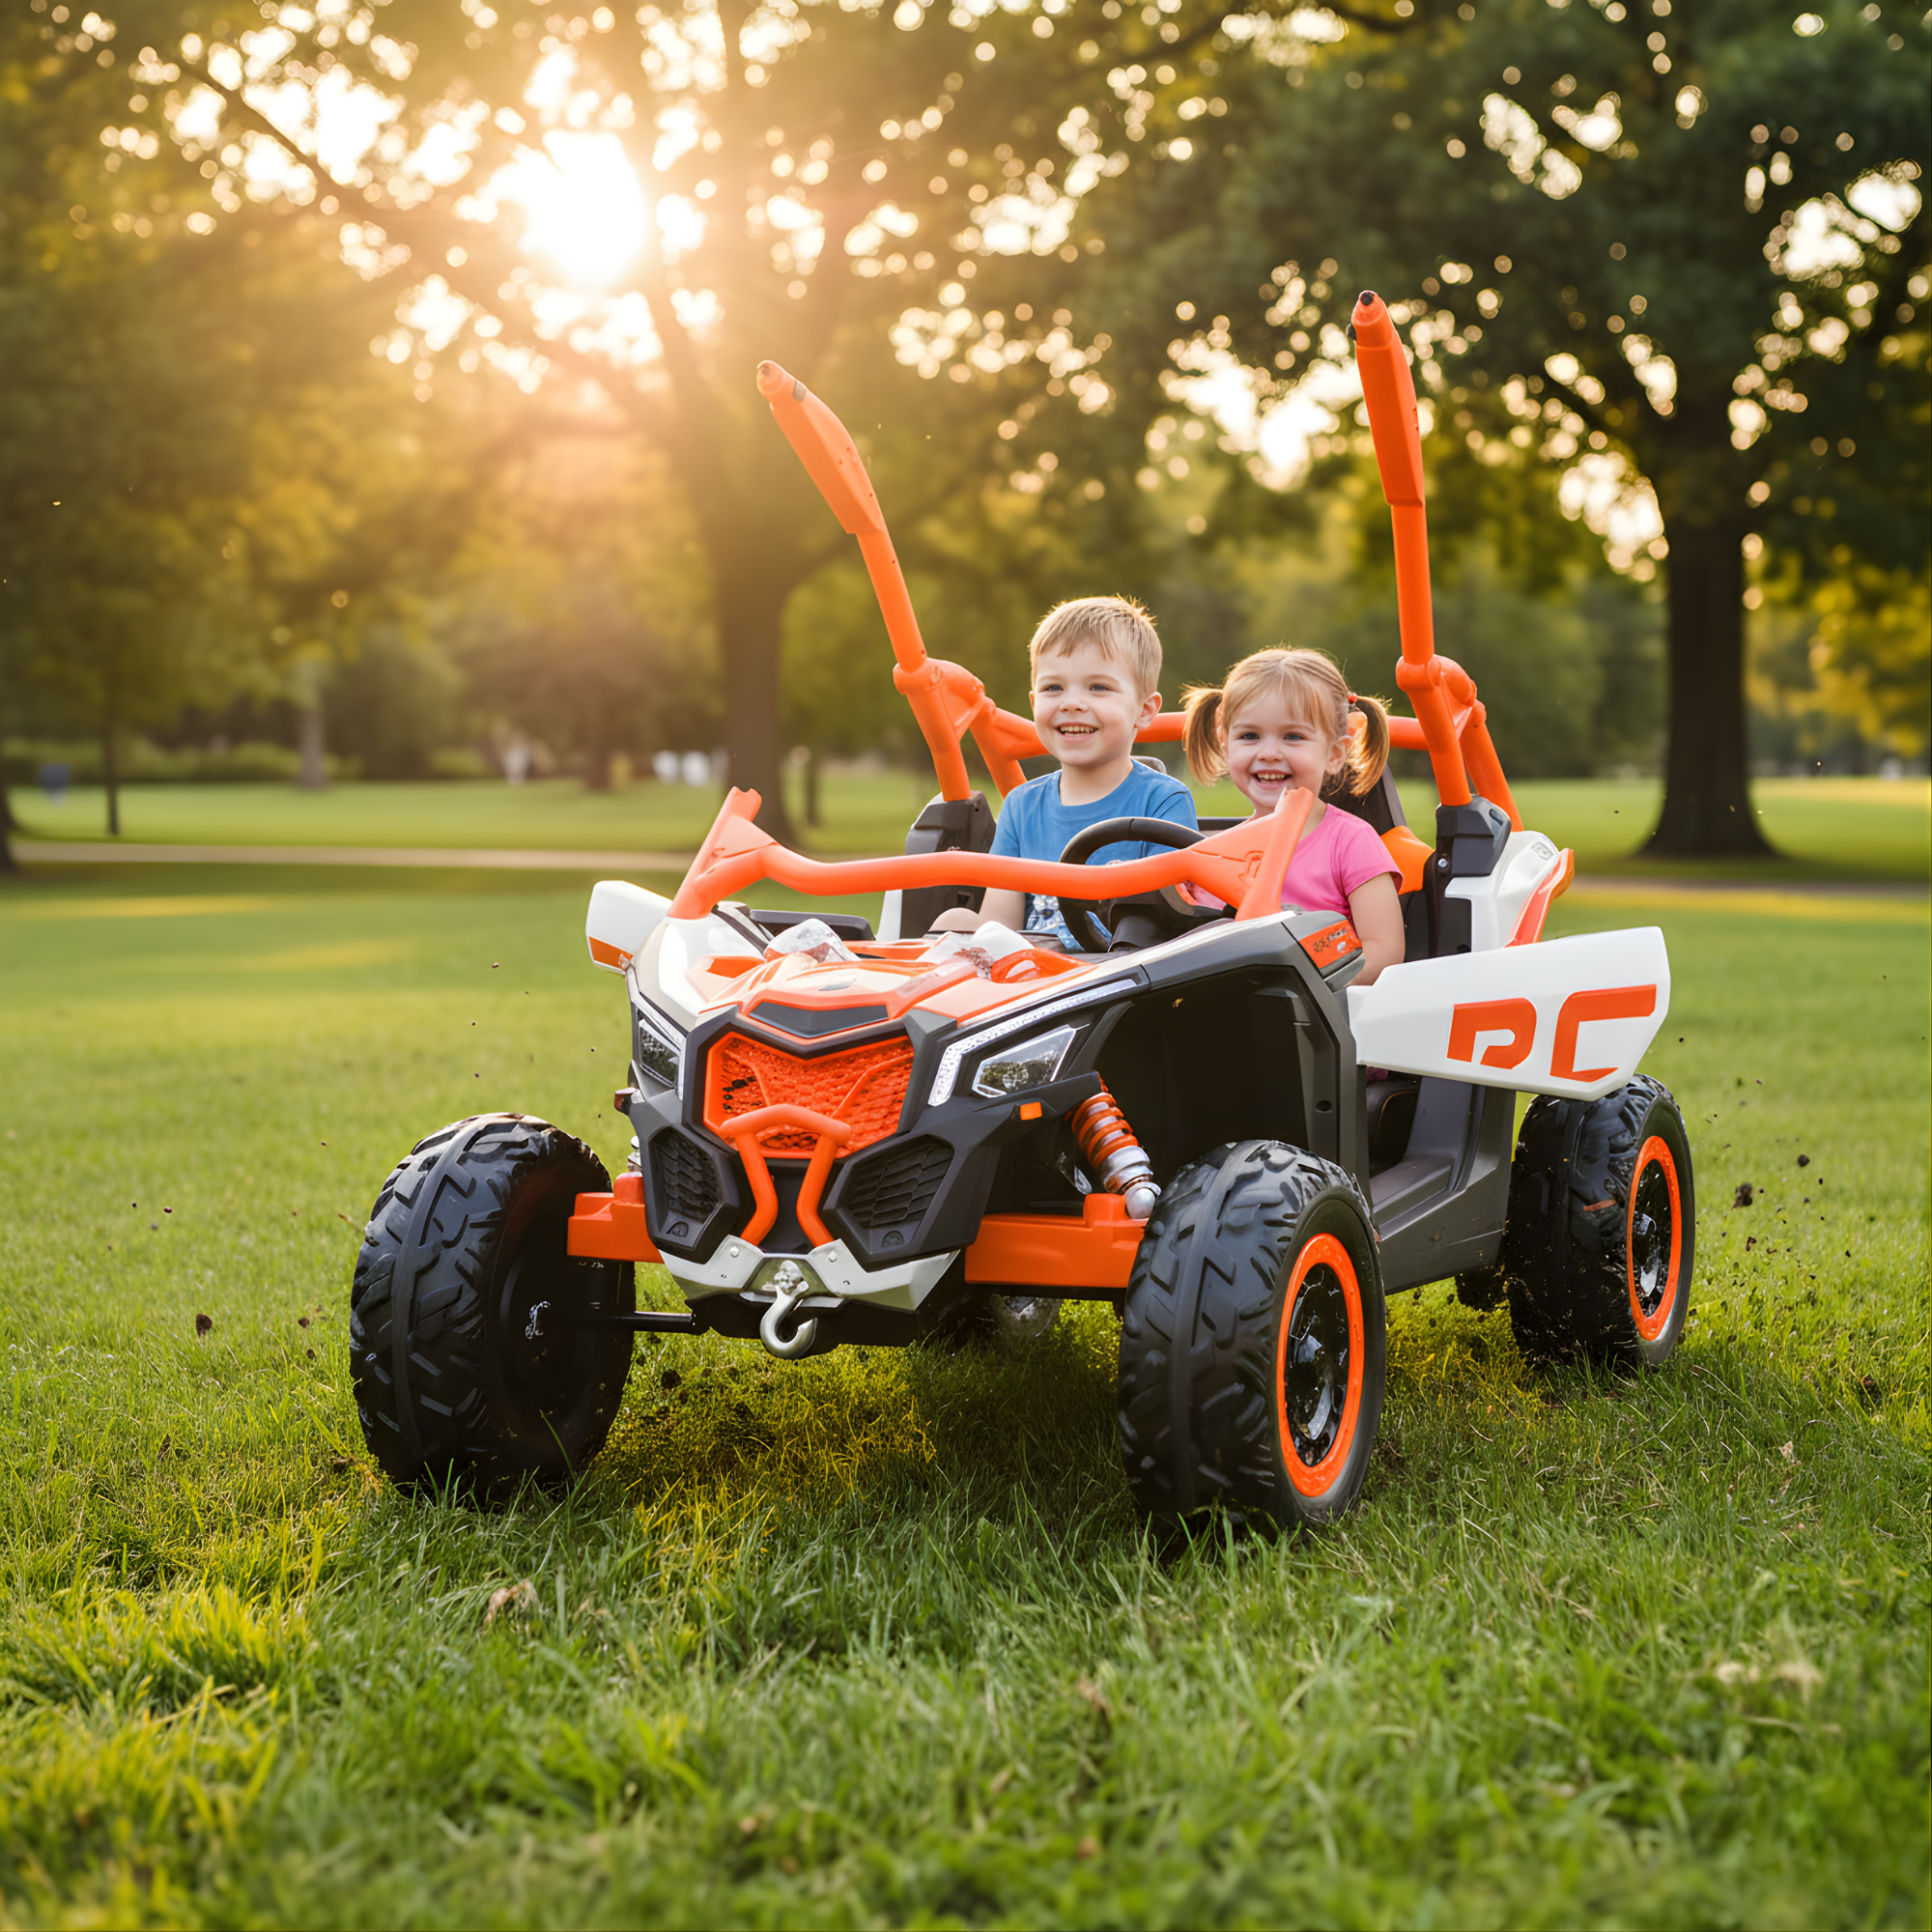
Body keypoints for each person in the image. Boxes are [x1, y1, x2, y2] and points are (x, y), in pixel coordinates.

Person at [933, 595, 1198, 950]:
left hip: (1124, 980)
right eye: (1053, 688)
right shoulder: (1021, 806)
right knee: (956, 921)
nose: (1071, 702)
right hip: (1033, 982)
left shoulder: (1163, 801)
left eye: (1098, 687)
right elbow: (999, 927)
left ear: (1144, 710)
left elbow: (1168, 926)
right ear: (1034, 703)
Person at [1181, 647, 1405, 986]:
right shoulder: (1213, 854)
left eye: (1293, 737)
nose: (1269, 753)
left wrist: (1310, 985)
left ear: (1333, 754)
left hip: (1321, 1021)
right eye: (1249, 736)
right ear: (1225, 744)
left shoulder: (1351, 842)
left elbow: (1384, 950)